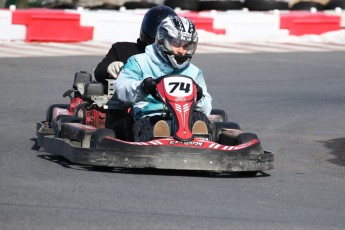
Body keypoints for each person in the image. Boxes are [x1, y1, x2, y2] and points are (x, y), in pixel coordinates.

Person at [115, 15, 212, 142]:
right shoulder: (140, 62)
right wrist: (143, 87)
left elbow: (207, 108)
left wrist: (199, 98)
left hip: (186, 119)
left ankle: (200, 142)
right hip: (148, 115)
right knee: (154, 124)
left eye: (186, 46)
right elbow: (121, 90)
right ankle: (160, 139)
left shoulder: (193, 71)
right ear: (162, 39)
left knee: (199, 119)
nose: (181, 51)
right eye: (176, 43)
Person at [94, 5, 177, 84]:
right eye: (159, 31)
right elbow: (99, 71)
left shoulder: (178, 55)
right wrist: (109, 69)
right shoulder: (122, 50)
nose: (161, 36)